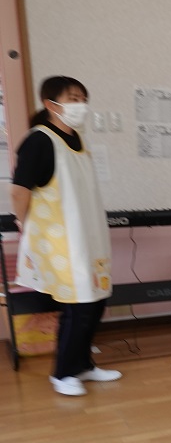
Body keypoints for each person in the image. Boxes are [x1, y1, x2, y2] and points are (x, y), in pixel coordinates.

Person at [9, 76, 119, 396]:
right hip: (63, 242)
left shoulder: (78, 140)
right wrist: (23, 223)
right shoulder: (39, 140)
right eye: (72, 98)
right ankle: (62, 373)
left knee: (97, 301)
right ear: (50, 104)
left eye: (82, 98)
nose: (79, 104)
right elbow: (19, 191)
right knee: (80, 306)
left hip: (88, 237)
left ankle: (83, 365)